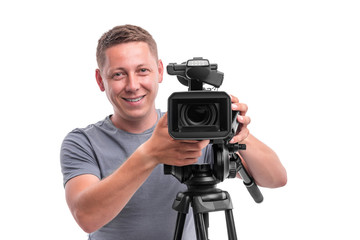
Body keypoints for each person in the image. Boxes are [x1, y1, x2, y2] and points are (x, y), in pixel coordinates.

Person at [60, 24, 287, 240]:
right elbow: (86, 217)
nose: (132, 85)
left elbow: (276, 178)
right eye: (118, 74)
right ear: (101, 80)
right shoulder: (83, 142)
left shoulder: (192, 132)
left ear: (159, 71)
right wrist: (150, 154)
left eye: (142, 70)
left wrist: (235, 130)